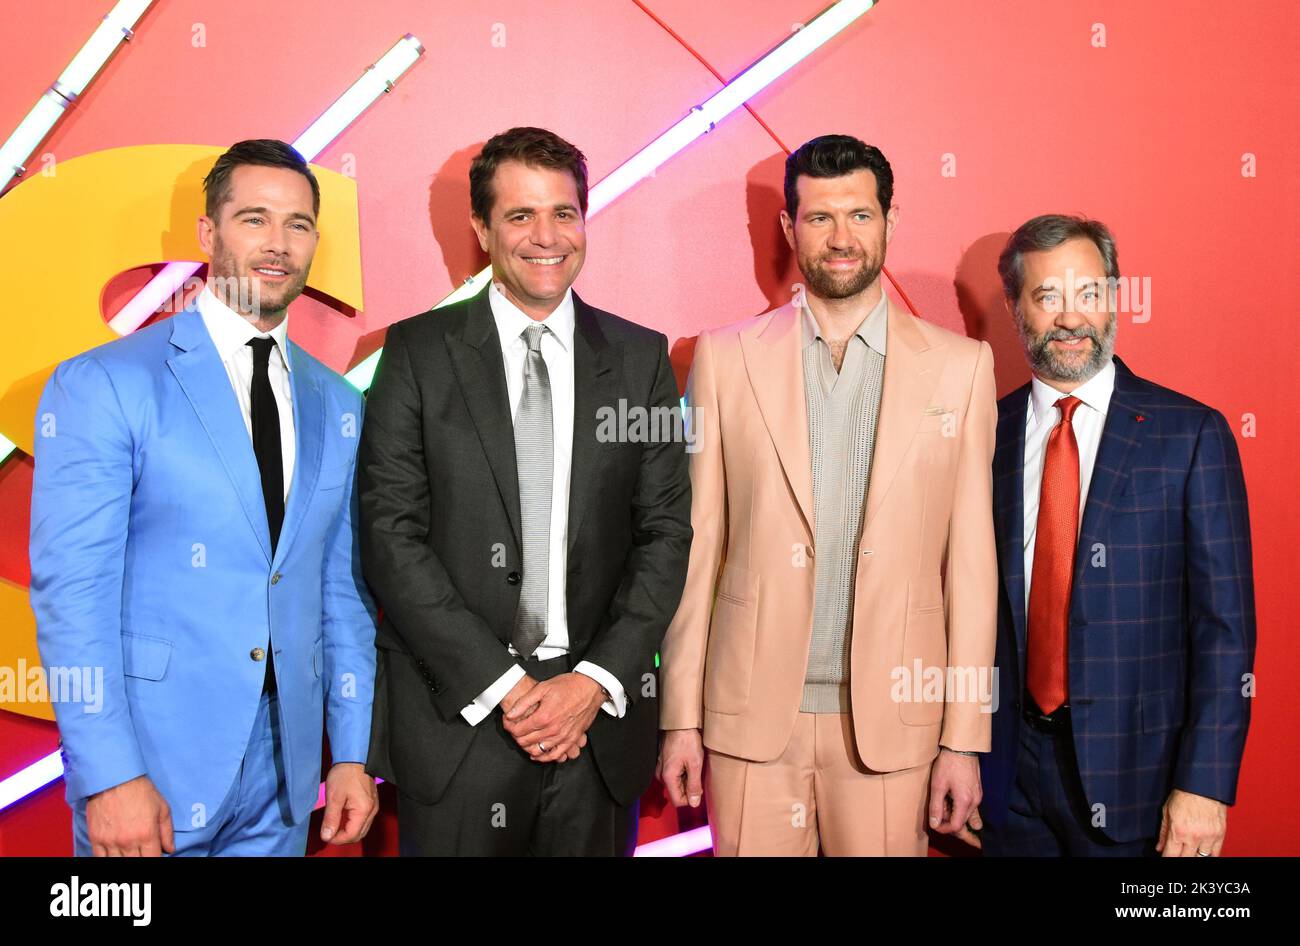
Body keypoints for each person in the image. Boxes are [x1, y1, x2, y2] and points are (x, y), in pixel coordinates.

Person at [30, 139, 379, 856]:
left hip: (284, 778)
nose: (277, 244)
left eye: (298, 224)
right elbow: (74, 594)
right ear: (207, 233)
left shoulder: (339, 403)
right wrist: (109, 775)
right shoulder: (105, 382)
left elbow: (340, 591)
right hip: (150, 767)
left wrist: (350, 752)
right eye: (254, 219)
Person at [658, 134, 997, 855]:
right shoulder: (723, 359)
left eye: (860, 215)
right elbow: (698, 550)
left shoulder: (962, 371)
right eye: (819, 218)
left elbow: (971, 570)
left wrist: (965, 737)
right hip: (749, 720)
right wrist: (679, 716)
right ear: (789, 228)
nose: (842, 238)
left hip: (895, 726)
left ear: (890, 221)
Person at [358, 126, 692, 856]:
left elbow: (666, 534)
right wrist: (507, 688)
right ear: (481, 229)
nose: (547, 236)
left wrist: (591, 684)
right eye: (520, 215)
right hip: (460, 725)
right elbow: (390, 535)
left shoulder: (640, 360)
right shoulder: (416, 353)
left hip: (595, 729)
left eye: (563, 213)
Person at [979, 214, 1255, 856]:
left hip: (1144, 786)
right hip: (1008, 782)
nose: (1072, 318)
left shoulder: (1190, 435)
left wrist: (1205, 788)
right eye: (1048, 296)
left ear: (1115, 298)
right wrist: (961, 755)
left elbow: (1226, 632)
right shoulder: (981, 435)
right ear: (1016, 307)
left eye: (1089, 294)